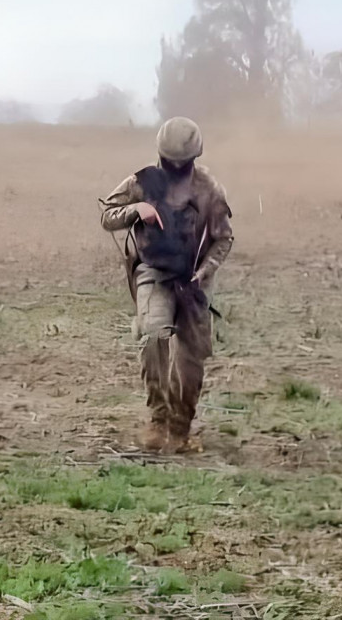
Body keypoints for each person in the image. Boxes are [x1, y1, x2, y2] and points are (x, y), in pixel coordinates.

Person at [99, 118, 233, 453]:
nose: (174, 167)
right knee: (154, 335)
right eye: (168, 161)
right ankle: (158, 419)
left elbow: (224, 239)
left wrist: (204, 272)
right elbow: (107, 216)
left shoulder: (209, 189)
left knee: (191, 361)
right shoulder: (141, 181)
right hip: (153, 272)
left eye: (181, 162)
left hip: (193, 281)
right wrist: (137, 209)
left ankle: (181, 429)